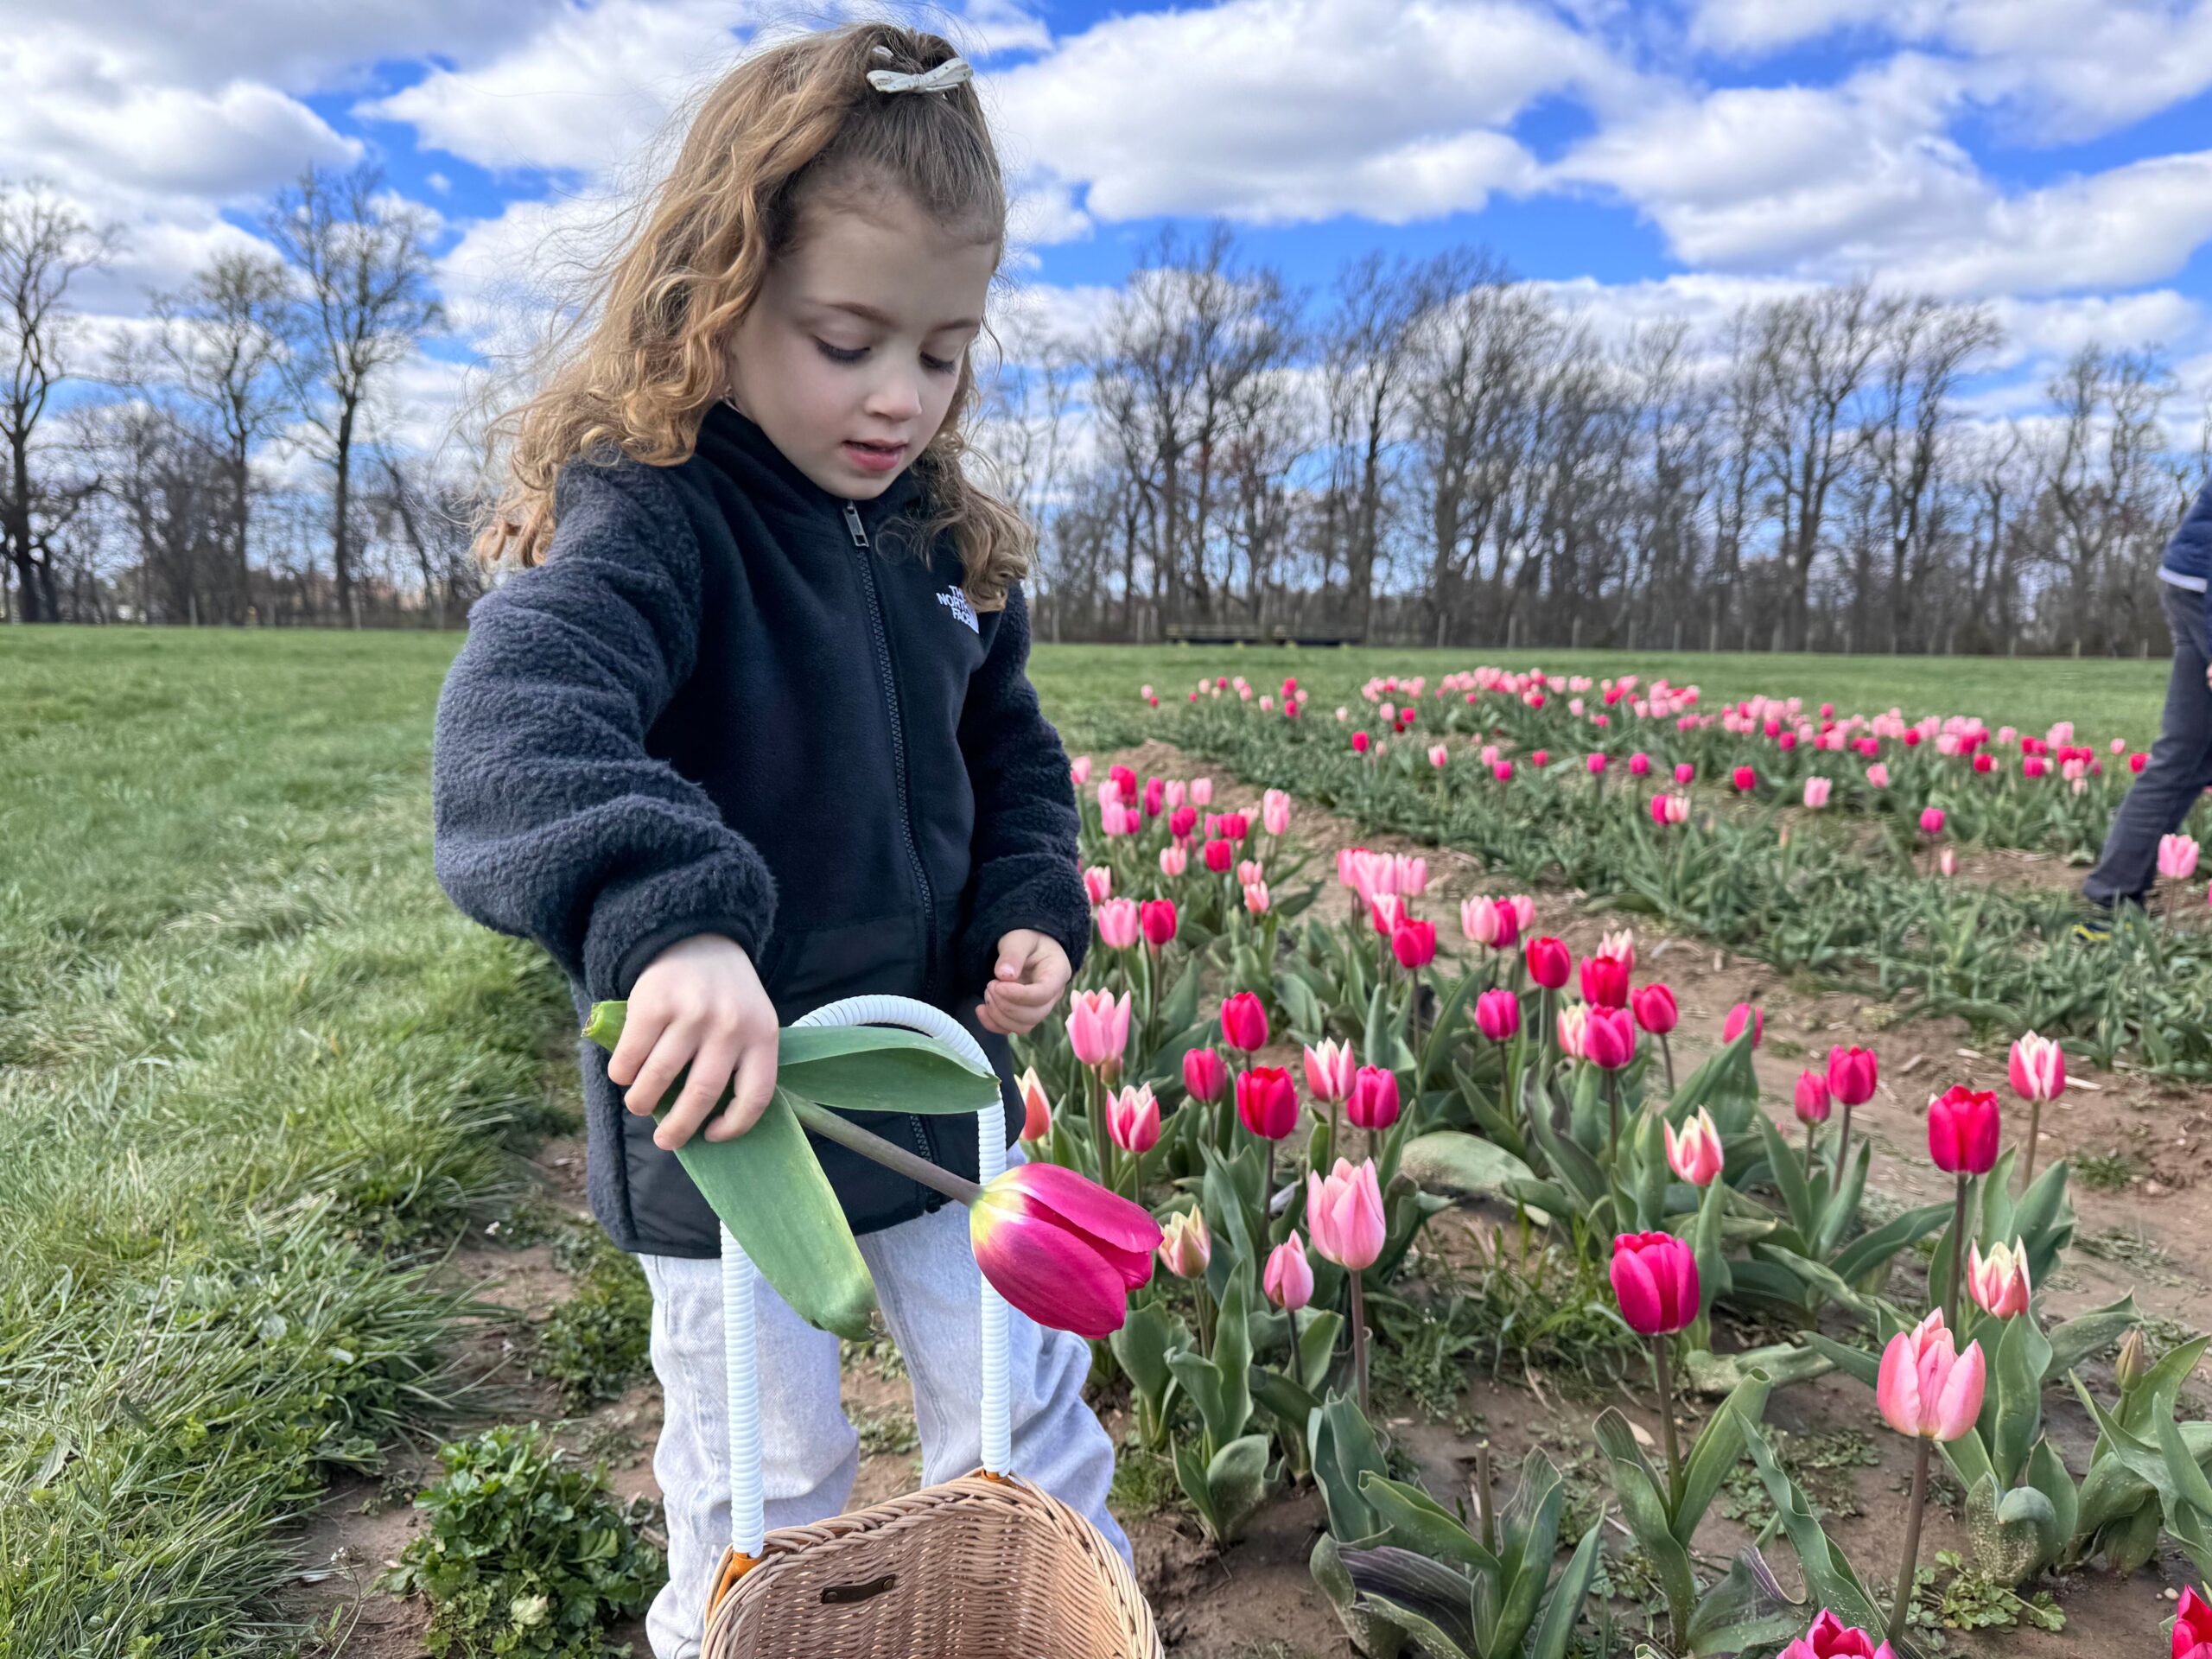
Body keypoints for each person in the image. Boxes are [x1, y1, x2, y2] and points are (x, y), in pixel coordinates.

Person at [427, 25, 1128, 1658]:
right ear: (718, 298)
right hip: (730, 1125)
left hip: (935, 1092)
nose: (900, 396)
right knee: (768, 1488)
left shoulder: (942, 539)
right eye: (846, 338)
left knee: (1030, 1436)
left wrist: (1031, 896)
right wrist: (671, 922)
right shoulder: (656, 514)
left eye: (944, 352)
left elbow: (1011, 752)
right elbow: (515, 732)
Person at [2077, 475, 2212, 939]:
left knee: (2188, 752)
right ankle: (2112, 894)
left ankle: (2114, 892)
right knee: (2184, 754)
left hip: (2190, 584)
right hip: (2205, 585)